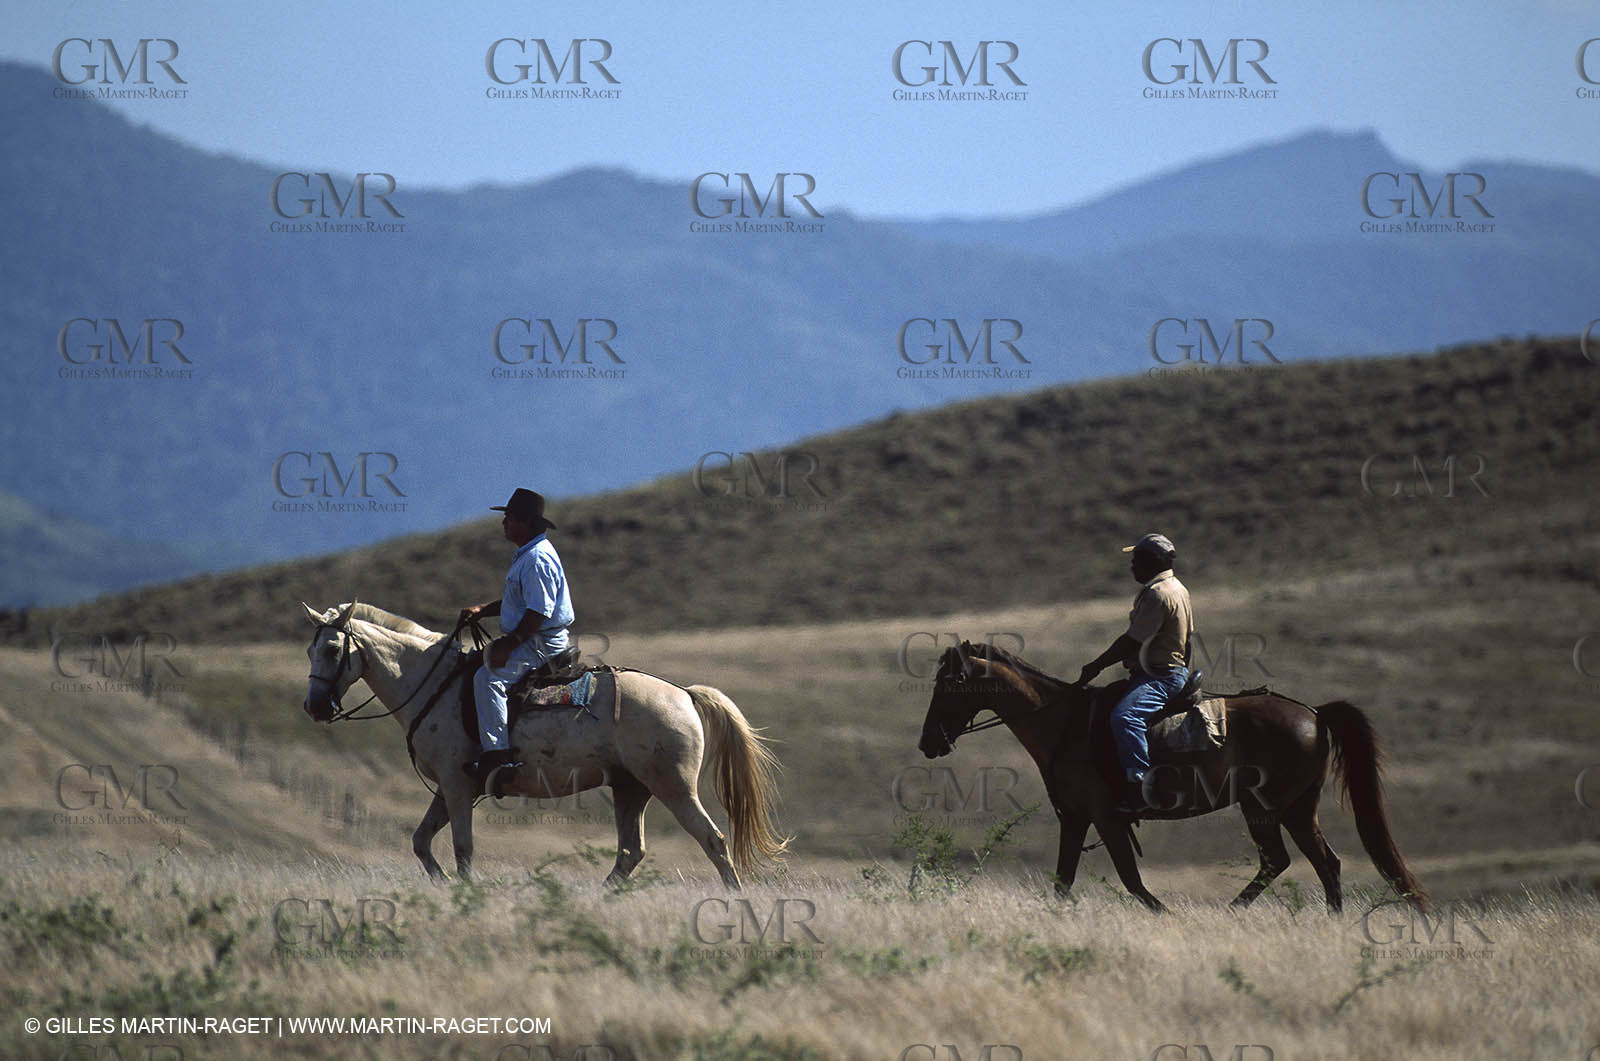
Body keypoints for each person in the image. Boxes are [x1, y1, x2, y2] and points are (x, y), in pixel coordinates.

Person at [458, 488, 575, 792]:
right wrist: (484, 610)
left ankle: (498, 759)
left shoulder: (536, 559)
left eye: (509, 518)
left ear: (525, 522)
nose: (504, 523)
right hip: (534, 637)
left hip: (542, 644)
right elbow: (521, 602)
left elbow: (538, 612)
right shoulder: (528, 554)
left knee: (488, 679)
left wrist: (508, 646)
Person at [1075, 533, 1194, 815]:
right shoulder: (1177, 588)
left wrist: (1096, 665)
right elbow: (1187, 640)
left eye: (1136, 560)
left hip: (1160, 676)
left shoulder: (1158, 595)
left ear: (1152, 561)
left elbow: (1132, 641)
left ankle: (1141, 789)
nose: (1132, 566)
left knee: (1125, 716)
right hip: (1168, 671)